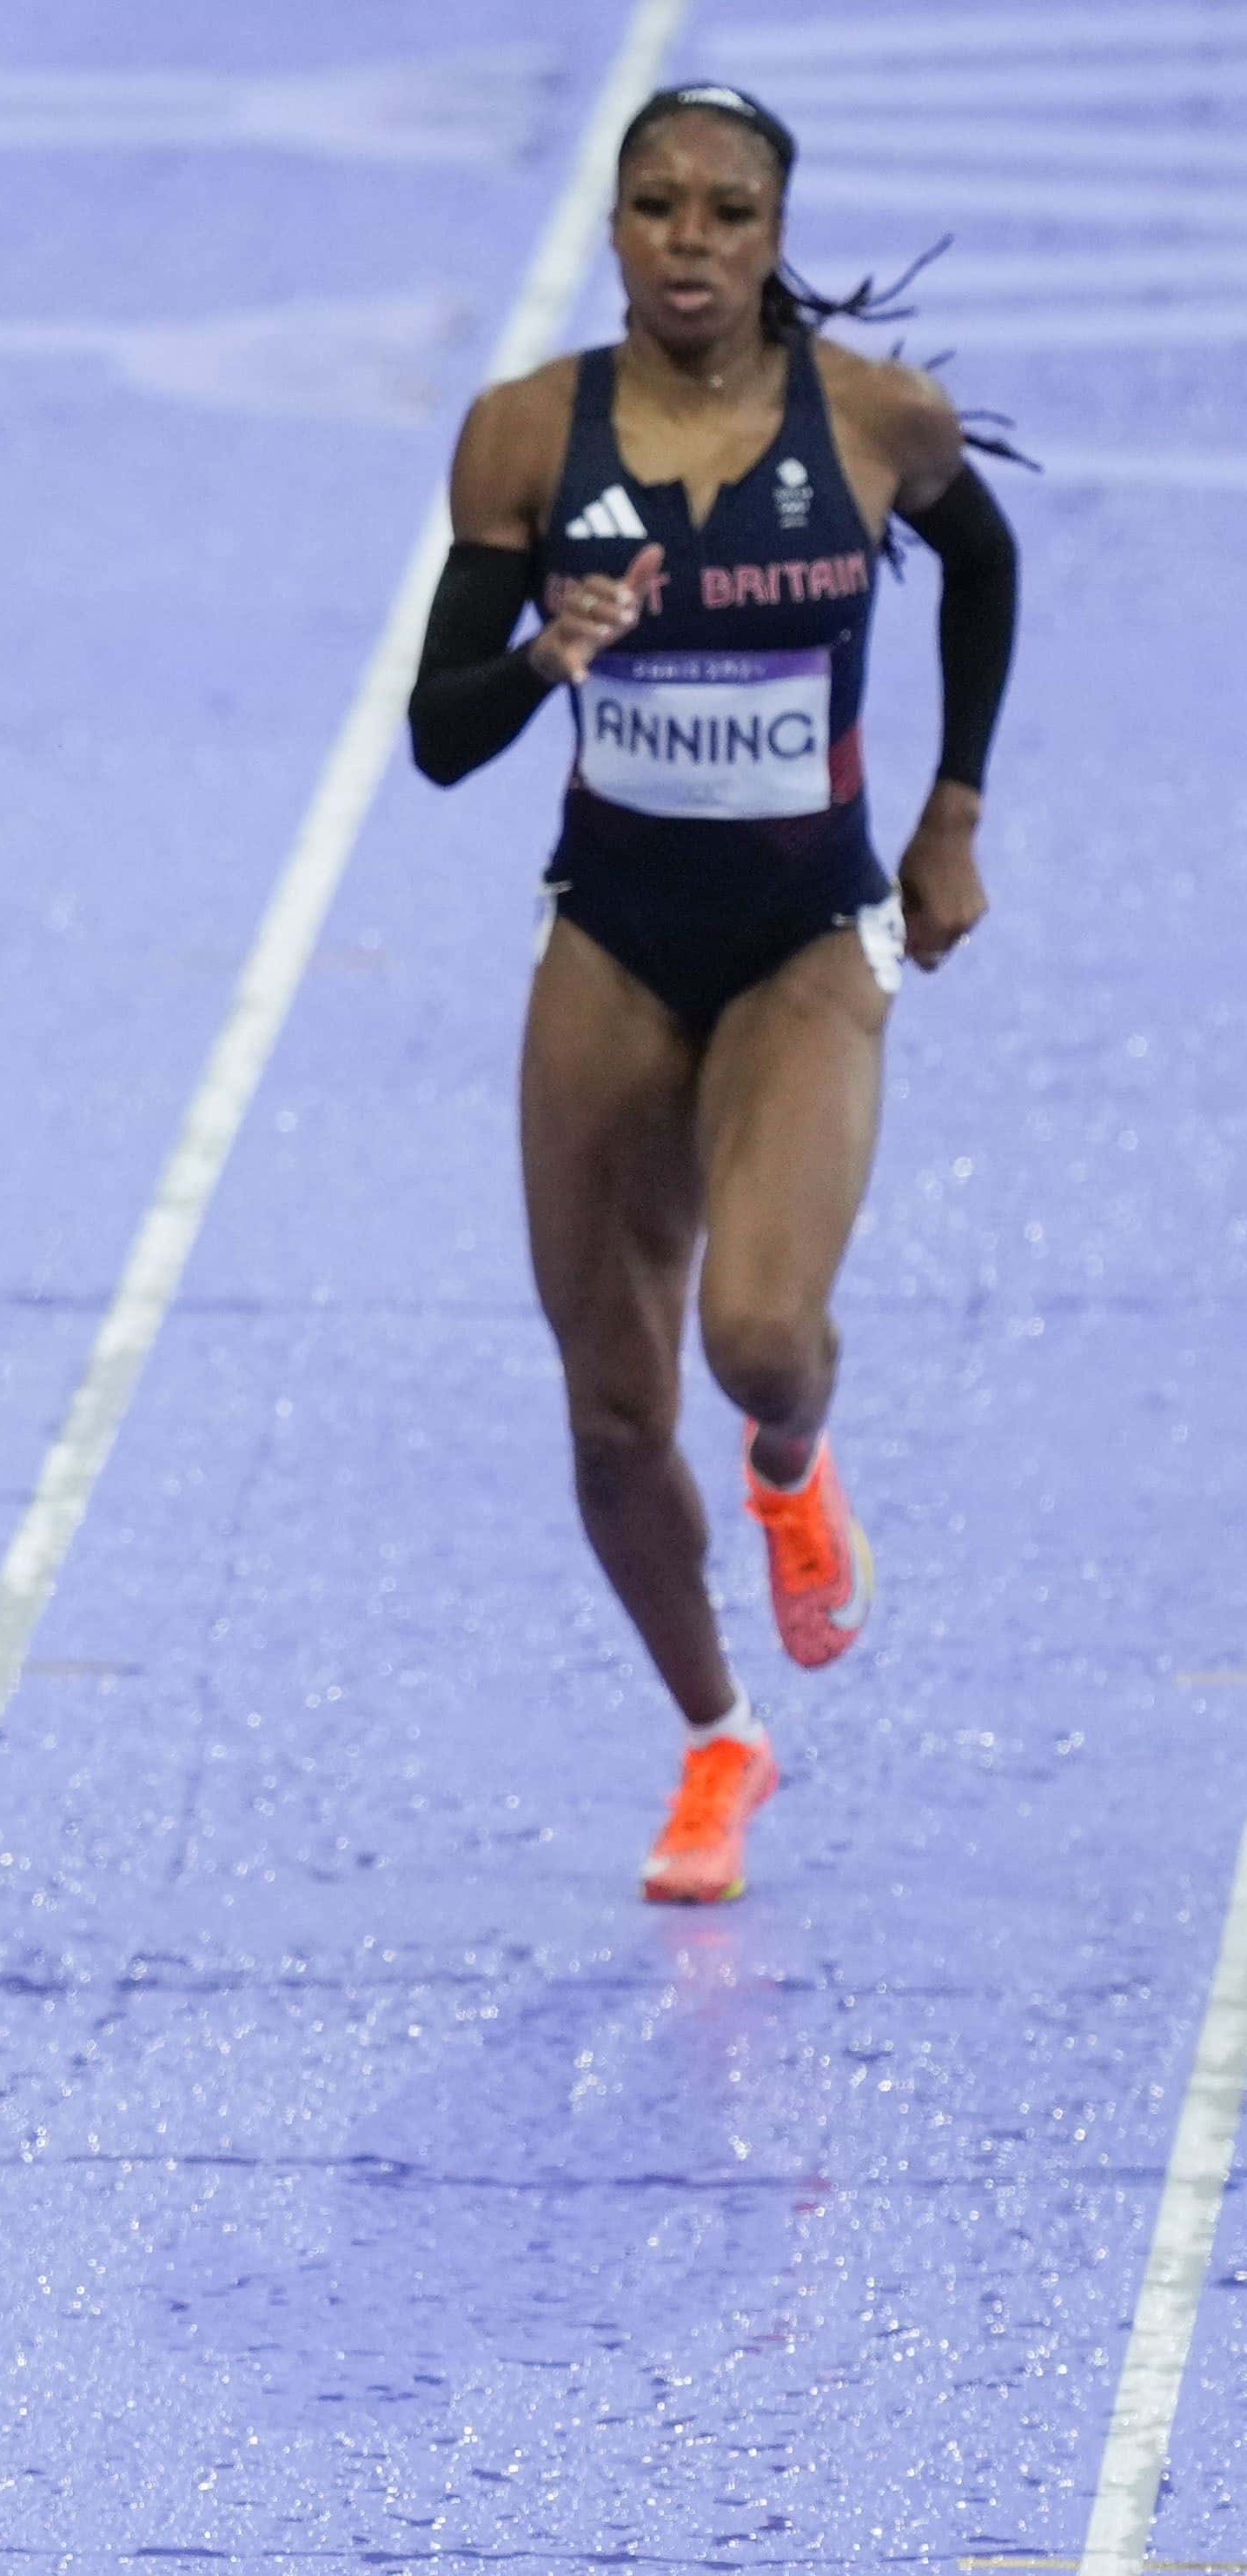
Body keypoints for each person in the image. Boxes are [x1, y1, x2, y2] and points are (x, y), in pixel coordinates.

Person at [409, 83, 1018, 1903]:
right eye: (657, 206)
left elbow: (984, 566)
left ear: (773, 236)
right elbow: (441, 741)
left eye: (728, 212)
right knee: (607, 1416)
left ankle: (794, 1466)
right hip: (611, 939)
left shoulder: (876, 419)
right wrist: (543, 655)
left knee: (757, 1336)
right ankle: (718, 1736)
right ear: (612, 229)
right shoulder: (526, 436)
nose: (691, 240)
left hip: (805, 946)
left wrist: (954, 814)